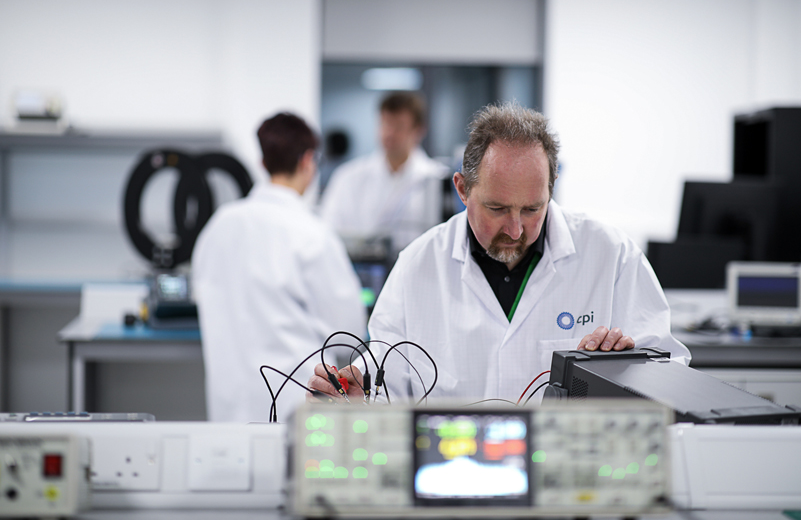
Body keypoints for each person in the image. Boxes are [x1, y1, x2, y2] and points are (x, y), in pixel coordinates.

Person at [308, 102, 691, 403]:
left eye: (532, 209)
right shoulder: (417, 266)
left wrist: (627, 368)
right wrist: (359, 401)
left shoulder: (612, 257)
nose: (515, 229)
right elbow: (386, 384)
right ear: (462, 189)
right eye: (496, 209)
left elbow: (670, 373)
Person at [193, 112, 366, 422]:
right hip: (297, 410)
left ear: (262, 163)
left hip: (229, 410)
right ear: (308, 161)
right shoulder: (312, 233)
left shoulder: (218, 226)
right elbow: (348, 332)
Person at [319, 91, 449, 253]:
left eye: (398, 126)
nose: (389, 133)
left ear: (419, 130)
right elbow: (328, 231)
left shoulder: (436, 179)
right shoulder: (348, 176)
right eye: (385, 124)